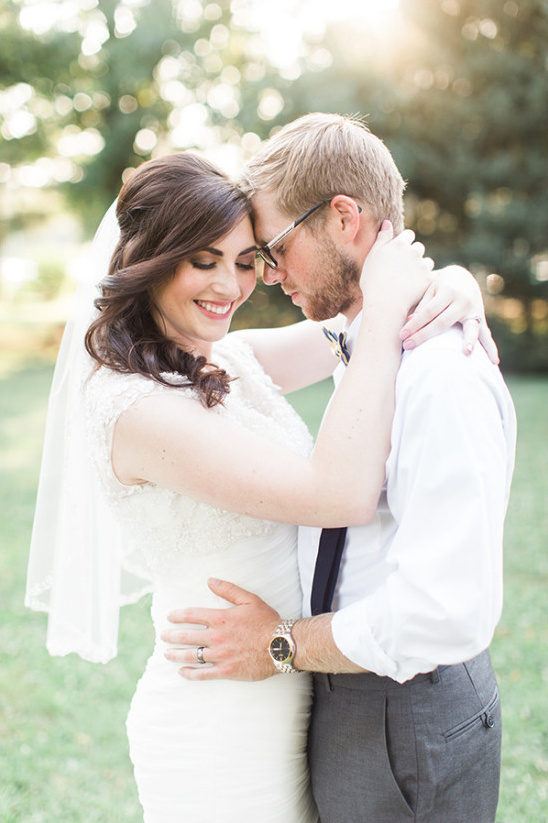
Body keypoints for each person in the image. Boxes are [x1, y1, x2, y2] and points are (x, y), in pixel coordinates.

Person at [26, 151, 491, 823]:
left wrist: (455, 283)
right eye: (203, 259)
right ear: (150, 257)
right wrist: (390, 300)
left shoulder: (226, 358)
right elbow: (341, 492)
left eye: (246, 261)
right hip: (217, 726)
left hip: (292, 701)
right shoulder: (132, 407)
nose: (231, 285)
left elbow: (349, 328)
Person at [162, 114, 517, 823]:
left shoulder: (438, 373)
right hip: (354, 694)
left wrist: (280, 640)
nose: (266, 275)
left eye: (275, 248)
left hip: (404, 708)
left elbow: (439, 613)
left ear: (344, 218)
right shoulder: (368, 340)